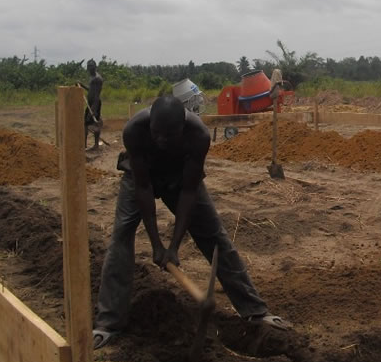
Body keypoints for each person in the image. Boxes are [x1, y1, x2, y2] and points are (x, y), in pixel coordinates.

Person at [92, 95, 288, 348]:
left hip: (180, 177)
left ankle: (255, 311)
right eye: (157, 134)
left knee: (215, 236)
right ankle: (108, 323)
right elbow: (142, 187)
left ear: (182, 128)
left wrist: (173, 247)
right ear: (150, 124)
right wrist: (156, 246)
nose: (161, 140)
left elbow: (188, 193)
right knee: (121, 236)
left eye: (169, 135)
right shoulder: (134, 131)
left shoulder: (199, 136)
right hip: (140, 177)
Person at [77, 59, 103, 150]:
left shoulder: (97, 79)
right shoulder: (92, 77)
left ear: (95, 67)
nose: (90, 68)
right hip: (90, 103)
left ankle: (96, 145)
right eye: (88, 66)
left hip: (95, 104)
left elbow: (96, 95)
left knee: (95, 123)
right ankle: (83, 145)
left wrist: (93, 110)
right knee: (85, 123)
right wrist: (82, 85)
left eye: (92, 66)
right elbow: (91, 90)